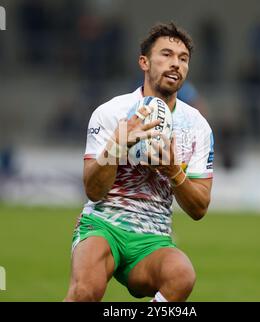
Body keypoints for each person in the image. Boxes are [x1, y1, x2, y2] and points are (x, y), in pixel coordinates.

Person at [64, 22, 214, 302]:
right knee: (85, 292)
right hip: (103, 224)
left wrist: (173, 172)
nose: (175, 64)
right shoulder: (111, 113)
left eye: (183, 59)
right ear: (144, 62)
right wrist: (117, 146)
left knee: (182, 275)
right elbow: (93, 191)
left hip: (153, 236)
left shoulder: (197, 126)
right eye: (166, 55)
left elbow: (199, 207)